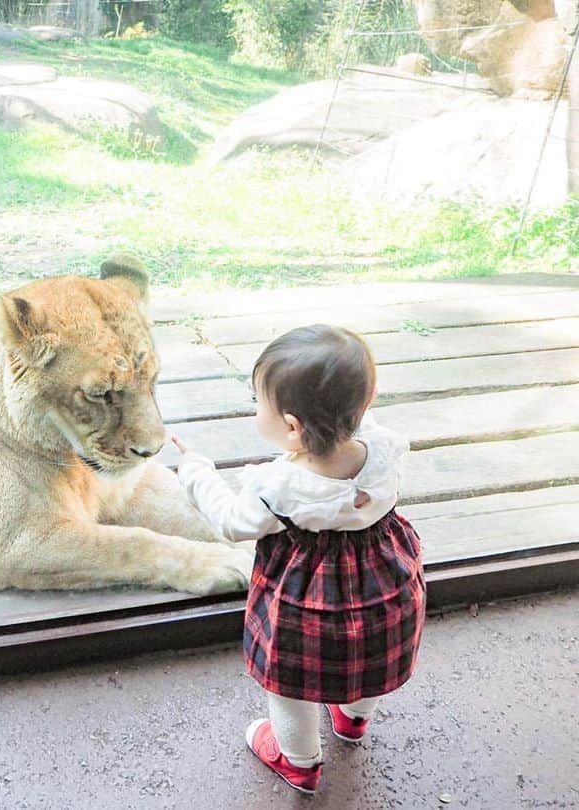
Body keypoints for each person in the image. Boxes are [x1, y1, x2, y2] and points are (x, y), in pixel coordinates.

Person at [171, 324, 425, 795]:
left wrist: (195, 473)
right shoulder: (386, 449)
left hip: (307, 601)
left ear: (291, 427)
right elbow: (358, 430)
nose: (254, 410)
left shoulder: (280, 487)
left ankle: (299, 761)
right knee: (371, 656)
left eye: (256, 403)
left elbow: (231, 521)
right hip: (385, 586)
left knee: (290, 682)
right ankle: (352, 718)